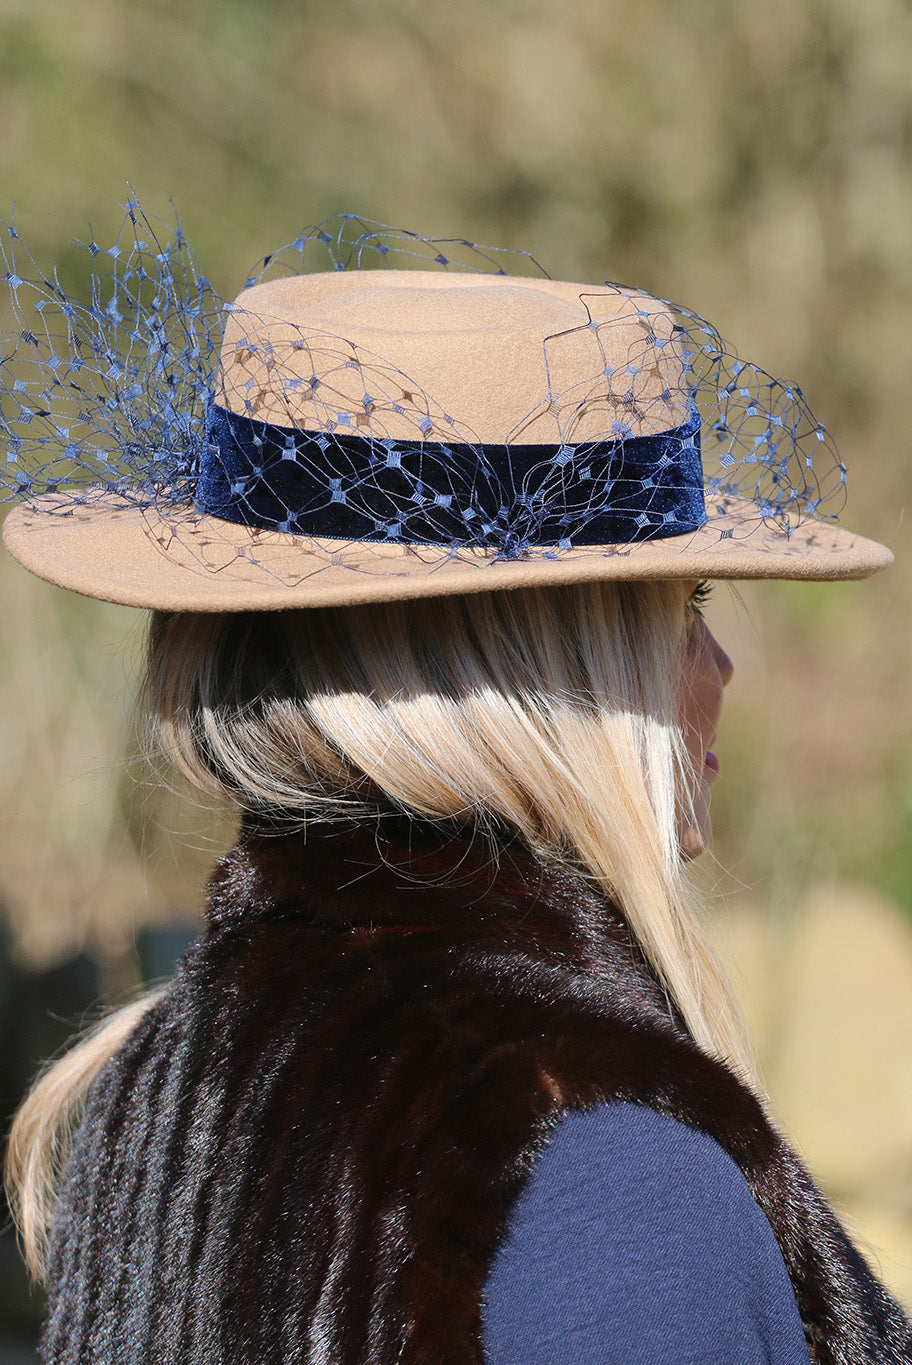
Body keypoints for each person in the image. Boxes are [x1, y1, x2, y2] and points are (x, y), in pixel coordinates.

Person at [1, 211, 907, 1363]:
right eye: (683, 612)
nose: (719, 672)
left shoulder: (161, 1091)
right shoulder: (601, 1183)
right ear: (544, 678)